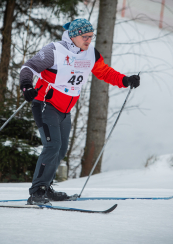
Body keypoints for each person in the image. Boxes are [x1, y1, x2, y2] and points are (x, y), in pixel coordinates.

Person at [19, 18, 140, 205]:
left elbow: (105, 72)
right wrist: (27, 86)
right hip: (45, 104)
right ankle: (36, 192)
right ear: (74, 35)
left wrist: (124, 80)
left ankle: (47, 188)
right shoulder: (55, 51)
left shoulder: (90, 54)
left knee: (61, 150)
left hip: (65, 110)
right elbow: (29, 67)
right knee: (52, 146)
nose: (89, 41)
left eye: (91, 37)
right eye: (85, 37)